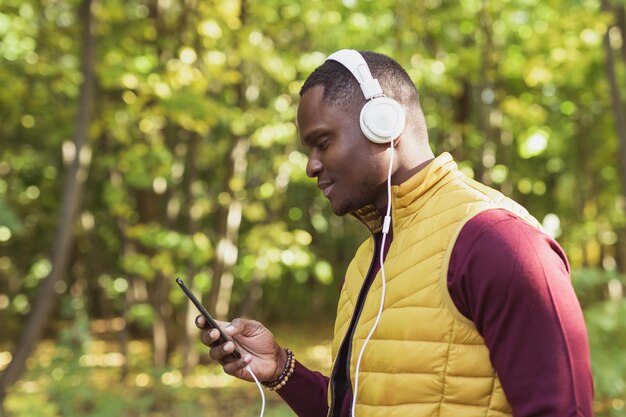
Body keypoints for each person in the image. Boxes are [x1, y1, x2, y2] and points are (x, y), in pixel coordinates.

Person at [196, 50, 594, 416]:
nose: (311, 167)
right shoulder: (367, 263)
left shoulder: (498, 242)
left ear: (383, 124)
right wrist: (281, 370)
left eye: (322, 142)